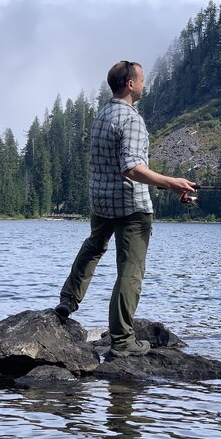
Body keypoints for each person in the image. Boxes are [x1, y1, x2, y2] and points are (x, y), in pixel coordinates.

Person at [55, 60, 196, 358]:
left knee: (93, 247)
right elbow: (131, 168)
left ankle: (68, 299)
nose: (145, 84)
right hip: (131, 206)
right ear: (130, 84)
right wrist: (171, 183)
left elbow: (120, 166)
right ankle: (122, 340)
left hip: (102, 201)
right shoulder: (132, 120)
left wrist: (167, 184)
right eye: (142, 80)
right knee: (131, 270)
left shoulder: (102, 115)